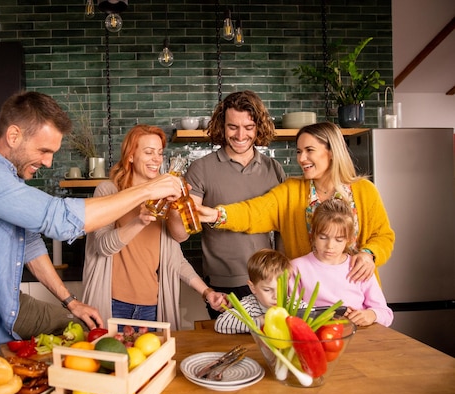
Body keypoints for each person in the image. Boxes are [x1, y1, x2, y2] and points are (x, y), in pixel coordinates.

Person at [0, 92, 182, 355]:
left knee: (84, 327)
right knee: (78, 348)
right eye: (44, 150)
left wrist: (70, 301)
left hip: (5, 301)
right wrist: (148, 190)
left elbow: (30, 242)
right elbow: (60, 220)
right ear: (14, 136)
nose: (48, 161)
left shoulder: (4, 173)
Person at [197, 121, 395, 285]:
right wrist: (217, 215)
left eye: (309, 150)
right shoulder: (291, 191)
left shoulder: (364, 190)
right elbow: (254, 212)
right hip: (307, 295)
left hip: (356, 293)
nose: (302, 158)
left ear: (332, 152)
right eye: (299, 151)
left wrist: (370, 254)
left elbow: (383, 236)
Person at [82, 125, 226, 329]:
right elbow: (104, 246)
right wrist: (139, 221)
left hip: (152, 308)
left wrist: (207, 292)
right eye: (148, 152)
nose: (157, 159)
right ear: (130, 156)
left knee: (156, 361)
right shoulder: (108, 191)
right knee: (112, 360)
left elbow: (176, 258)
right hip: (113, 305)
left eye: (159, 153)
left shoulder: (163, 199)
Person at [169, 90, 286, 319]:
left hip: (269, 283)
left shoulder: (274, 169)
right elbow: (180, 234)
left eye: (249, 127)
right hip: (225, 286)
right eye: (233, 127)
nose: (240, 135)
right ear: (222, 127)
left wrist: (283, 276)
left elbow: (282, 230)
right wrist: (175, 207)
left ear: (258, 127)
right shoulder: (201, 169)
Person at [290, 198, 393, 327]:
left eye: (339, 240)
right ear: (313, 234)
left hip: (360, 337)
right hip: (316, 338)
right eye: (323, 237)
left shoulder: (360, 267)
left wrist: (371, 314)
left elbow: (386, 314)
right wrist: (328, 315)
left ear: (349, 239)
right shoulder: (297, 268)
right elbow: (289, 313)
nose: (330, 246)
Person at [215, 249, 306, 334]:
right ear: (253, 287)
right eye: (267, 290)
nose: (276, 296)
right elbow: (221, 323)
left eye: (282, 289)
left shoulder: (292, 304)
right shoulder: (250, 305)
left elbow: (315, 314)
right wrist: (260, 321)